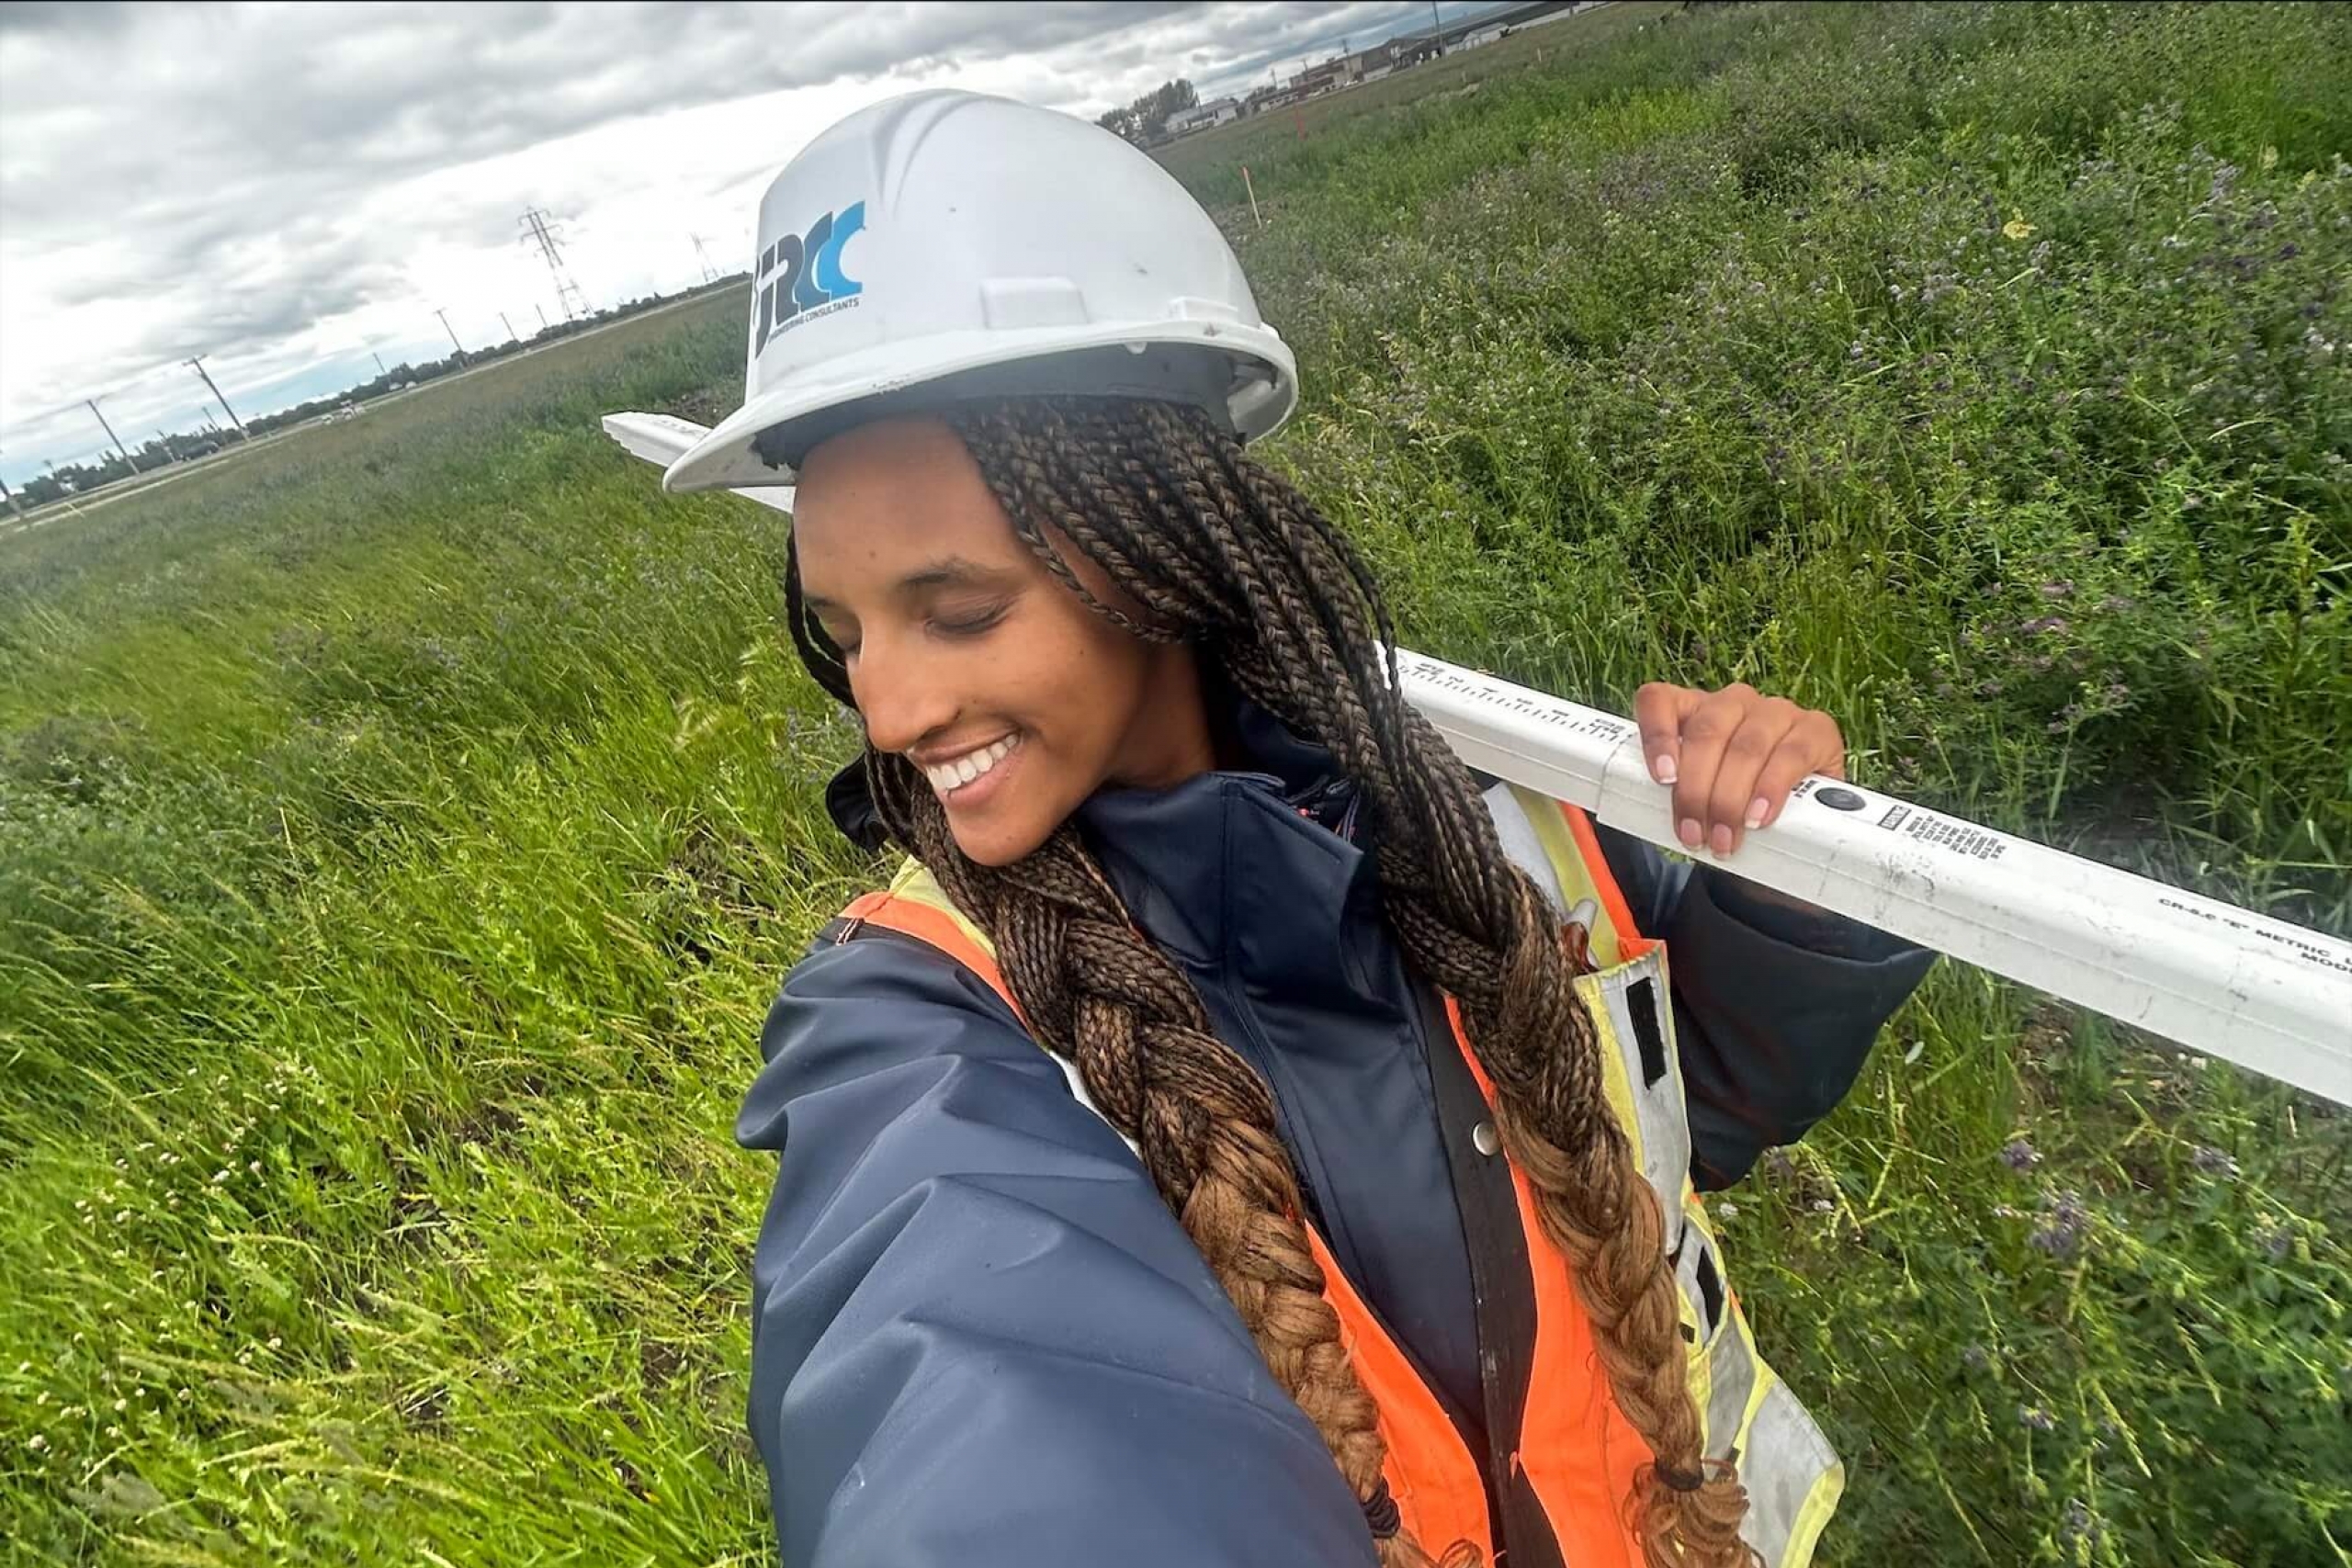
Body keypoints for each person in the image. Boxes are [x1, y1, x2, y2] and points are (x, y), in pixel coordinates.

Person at [664, 90, 1934, 1568]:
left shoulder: (1495, 815)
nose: (885, 714)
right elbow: (953, 1391)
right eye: (845, 634)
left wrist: (1791, 883)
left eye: (956, 613)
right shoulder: (909, 1024)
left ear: (1160, 549)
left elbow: (1684, 1113)